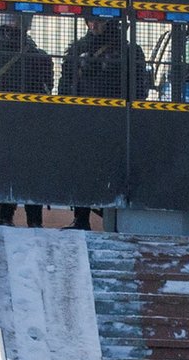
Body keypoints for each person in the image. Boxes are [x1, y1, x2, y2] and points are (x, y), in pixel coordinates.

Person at [59, 15, 147, 229]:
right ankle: (81, 219)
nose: (94, 25)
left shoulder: (129, 50)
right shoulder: (77, 49)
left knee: (115, 171)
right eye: (90, 21)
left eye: (99, 21)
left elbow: (138, 89)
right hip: (86, 118)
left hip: (115, 120)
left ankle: (115, 221)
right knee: (82, 168)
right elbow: (64, 85)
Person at [0, 12, 53, 226]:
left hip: (5, 122)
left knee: (19, 168)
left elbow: (46, 89)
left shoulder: (36, 55)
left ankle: (16, 219)